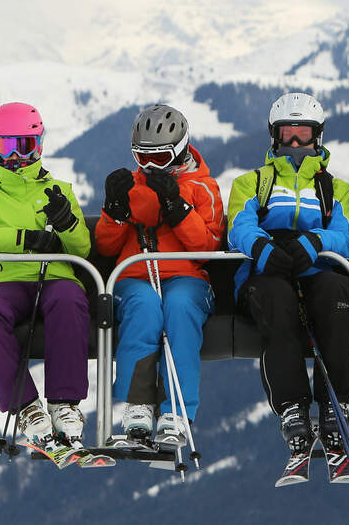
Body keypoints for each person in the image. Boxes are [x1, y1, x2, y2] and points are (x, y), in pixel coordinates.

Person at [226, 93, 349, 483]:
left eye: (304, 135)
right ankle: (293, 409)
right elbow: (239, 226)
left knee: (337, 301)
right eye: (288, 134)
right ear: (274, 136)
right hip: (268, 271)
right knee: (276, 304)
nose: (296, 144)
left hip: (316, 268)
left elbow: (344, 237)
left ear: (318, 137)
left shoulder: (336, 190)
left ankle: (334, 406)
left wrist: (314, 244)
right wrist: (263, 248)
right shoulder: (252, 182)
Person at [0, 102, 91, 452]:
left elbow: (82, 248)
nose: (15, 157)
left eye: (23, 147)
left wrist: (67, 223)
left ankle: (64, 403)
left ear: (38, 145)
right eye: (5, 147)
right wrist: (22, 239)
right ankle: (26, 407)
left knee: (70, 300)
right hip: (6, 280)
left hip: (55, 276)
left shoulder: (58, 190)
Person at [95, 104, 224, 449]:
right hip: (134, 276)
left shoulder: (202, 187)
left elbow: (207, 245)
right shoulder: (131, 187)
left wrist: (177, 208)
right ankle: (139, 404)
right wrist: (114, 211)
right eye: (143, 157)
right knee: (145, 306)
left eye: (161, 158)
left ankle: (176, 411)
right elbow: (107, 247)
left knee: (180, 307)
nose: (150, 167)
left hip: (187, 279)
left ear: (180, 151)